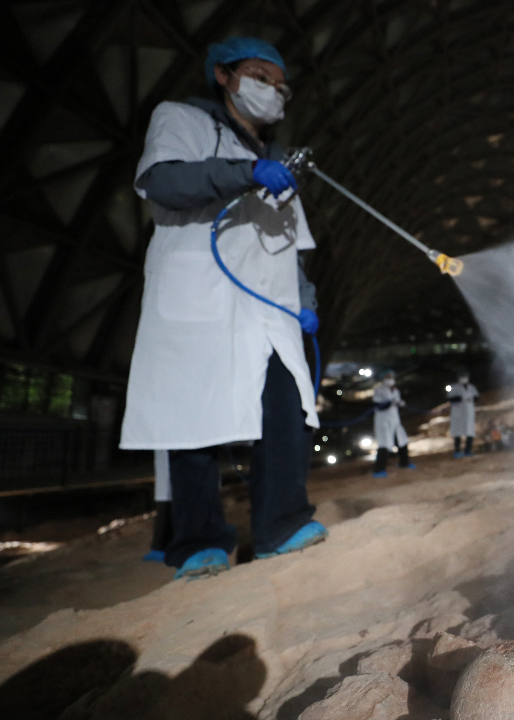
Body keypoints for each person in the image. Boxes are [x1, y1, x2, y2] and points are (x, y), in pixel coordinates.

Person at [119, 37, 327, 580]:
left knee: (286, 405)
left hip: (269, 304)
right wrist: (244, 174)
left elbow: (296, 243)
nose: (272, 90)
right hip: (201, 292)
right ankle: (198, 541)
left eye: (280, 84)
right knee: (193, 417)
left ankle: (281, 524)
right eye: (260, 75)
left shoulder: (277, 160)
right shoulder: (182, 119)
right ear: (224, 75)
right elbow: (163, 181)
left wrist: (305, 302)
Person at [372, 371, 414, 476]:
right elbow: (377, 405)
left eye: (391, 377)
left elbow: (396, 402)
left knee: (402, 440)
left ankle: (404, 462)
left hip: (395, 421)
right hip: (383, 422)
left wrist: (399, 403)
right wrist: (390, 403)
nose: (389, 379)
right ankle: (379, 470)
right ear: (383, 378)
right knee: (384, 444)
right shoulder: (379, 390)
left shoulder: (396, 391)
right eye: (387, 377)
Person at [447, 371, 479, 458]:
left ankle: (468, 450)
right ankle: (457, 451)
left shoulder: (472, 387)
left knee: (470, 431)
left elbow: (476, 398)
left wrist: (470, 399)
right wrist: (462, 399)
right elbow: (451, 398)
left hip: (469, 412)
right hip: (458, 412)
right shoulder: (453, 387)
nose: (464, 378)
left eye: (465, 376)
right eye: (462, 376)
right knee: (457, 431)